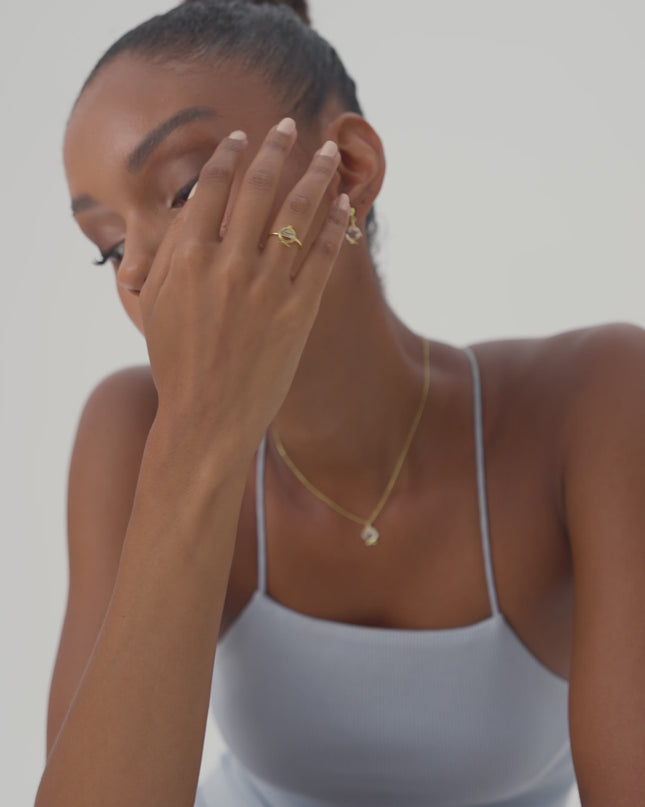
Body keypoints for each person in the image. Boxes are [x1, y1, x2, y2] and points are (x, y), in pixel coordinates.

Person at [35, 1, 645, 805]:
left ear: (348, 171)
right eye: (108, 246)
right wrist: (198, 440)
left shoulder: (598, 398)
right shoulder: (132, 429)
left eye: (184, 192)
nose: (138, 272)